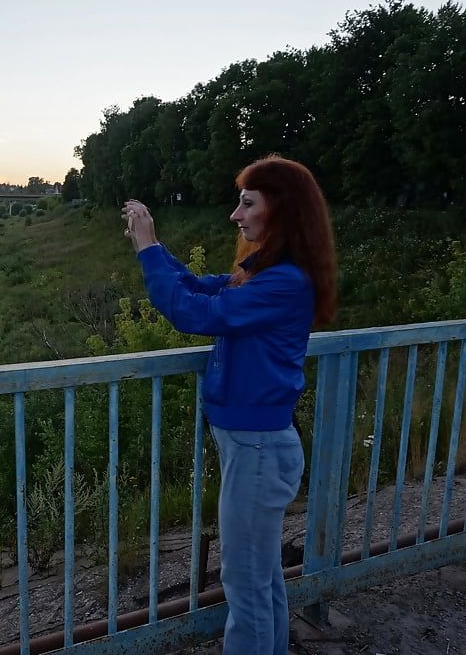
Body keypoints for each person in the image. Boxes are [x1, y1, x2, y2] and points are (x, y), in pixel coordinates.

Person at [122, 155, 337, 655]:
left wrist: (149, 248)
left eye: (246, 204)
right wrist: (154, 249)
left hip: (258, 449)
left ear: (281, 210)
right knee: (260, 576)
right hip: (253, 446)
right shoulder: (265, 274)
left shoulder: (284, 282)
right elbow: (199, 288)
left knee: (244, 581)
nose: (235, 217)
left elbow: (191, 312)